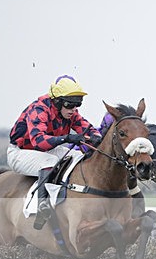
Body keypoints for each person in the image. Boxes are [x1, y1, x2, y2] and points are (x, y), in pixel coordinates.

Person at [8, 75, 102, 229]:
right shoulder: (38, 109)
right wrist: (67, 138)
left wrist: (96, 137)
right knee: (49, 162)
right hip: (20, 153)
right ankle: (42, 206)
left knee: (78, 157)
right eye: (69, 105)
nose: (73, 109)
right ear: (57, 101)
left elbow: (88, 129)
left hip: (49, 149)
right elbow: (39, 142)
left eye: (77, 104)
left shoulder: (69, 112)